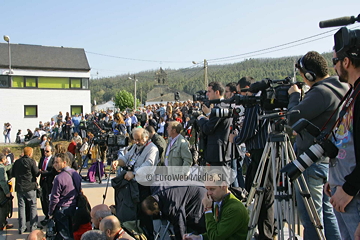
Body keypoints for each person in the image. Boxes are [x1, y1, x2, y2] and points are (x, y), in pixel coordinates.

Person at [287, 51, 347, 239]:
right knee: (327, 214)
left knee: (311, 216)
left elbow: (292, 117)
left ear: (309, 75)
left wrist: (294, 96)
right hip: (330, 159)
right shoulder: (343, 85)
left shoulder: (321, 92)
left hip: (312, 160)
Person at [323, 28, 360, 239]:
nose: (334, 67)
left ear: (346, 62)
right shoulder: (352, 94)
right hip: (342, 191)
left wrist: (348, 189)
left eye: (335, 61)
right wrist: (335, 180)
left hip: (352, 195)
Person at [229, 76, 272, 240]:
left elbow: (250, 129)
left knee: (262, 193)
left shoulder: (255, 102)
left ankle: (265, 233)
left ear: (249, 89)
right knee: (263, 192)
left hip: (261, 152)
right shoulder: (261, 101)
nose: (241, 97)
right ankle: (266, 231)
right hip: (263, 150)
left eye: (241, 93)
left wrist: (237, 139)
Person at [183, 171, 249, 240]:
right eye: (207, 189)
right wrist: (199, 237)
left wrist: (208, 209)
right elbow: (217, 231)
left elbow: (215, 237)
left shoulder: (235, 209)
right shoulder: (219, 202)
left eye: (212, 189)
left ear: (224, 186)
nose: (208, 193)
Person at [142, 183, 207, 240]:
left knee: (197, 222)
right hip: (193, 189)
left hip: (198, 197)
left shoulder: (170, 205)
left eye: (154, 212)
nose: (156, 214)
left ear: (155, 204)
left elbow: (179, 223)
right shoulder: (158, 194)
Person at [197, 82, 232, 166]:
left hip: (218, 152)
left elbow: (208, 129)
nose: (207, 94)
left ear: (217, 92)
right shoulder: (224, 105)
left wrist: (201, 118)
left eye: (209, 91)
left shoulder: (220, 108)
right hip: (219, 151)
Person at [48, 152, 82, 239]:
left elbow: (54, 198)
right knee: (72, 233)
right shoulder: (75, 174)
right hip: (74, 208)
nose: (54, 165)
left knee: (64, 235)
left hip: (62, 210)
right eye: (54, 162)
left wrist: (51, 212)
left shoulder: (59, 178)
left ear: (64, 162)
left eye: (57, 162)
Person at [12, 147, 40, 234]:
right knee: (32, 206)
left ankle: (22, 227)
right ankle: (33, 226)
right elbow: (36, 173)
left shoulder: (17, 162)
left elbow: (13, 173)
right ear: (30, 154)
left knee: (21, 207)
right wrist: (40, 171)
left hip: (20, 187)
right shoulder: (31, 162)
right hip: (30, 187)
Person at [38, 145, 57, 226]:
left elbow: (54, 171)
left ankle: (51, 216)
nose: (45, 153)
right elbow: (39, 167)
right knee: (43, 200)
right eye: (44, 151)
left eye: (47, 151)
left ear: (51, 152)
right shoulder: (42, 159)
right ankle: (46, 214)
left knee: (50, 200)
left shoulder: (54, 160)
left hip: (50, 182)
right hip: (43, 182)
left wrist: (45, 173)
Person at [0, 153, 13, 231]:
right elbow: (3, 182)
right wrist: (7, 192)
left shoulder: (2, 167)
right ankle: (2, 224)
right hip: (1, 191)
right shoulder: (1, 169)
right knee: (3, 208)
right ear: (2, 160)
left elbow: (7, 168)